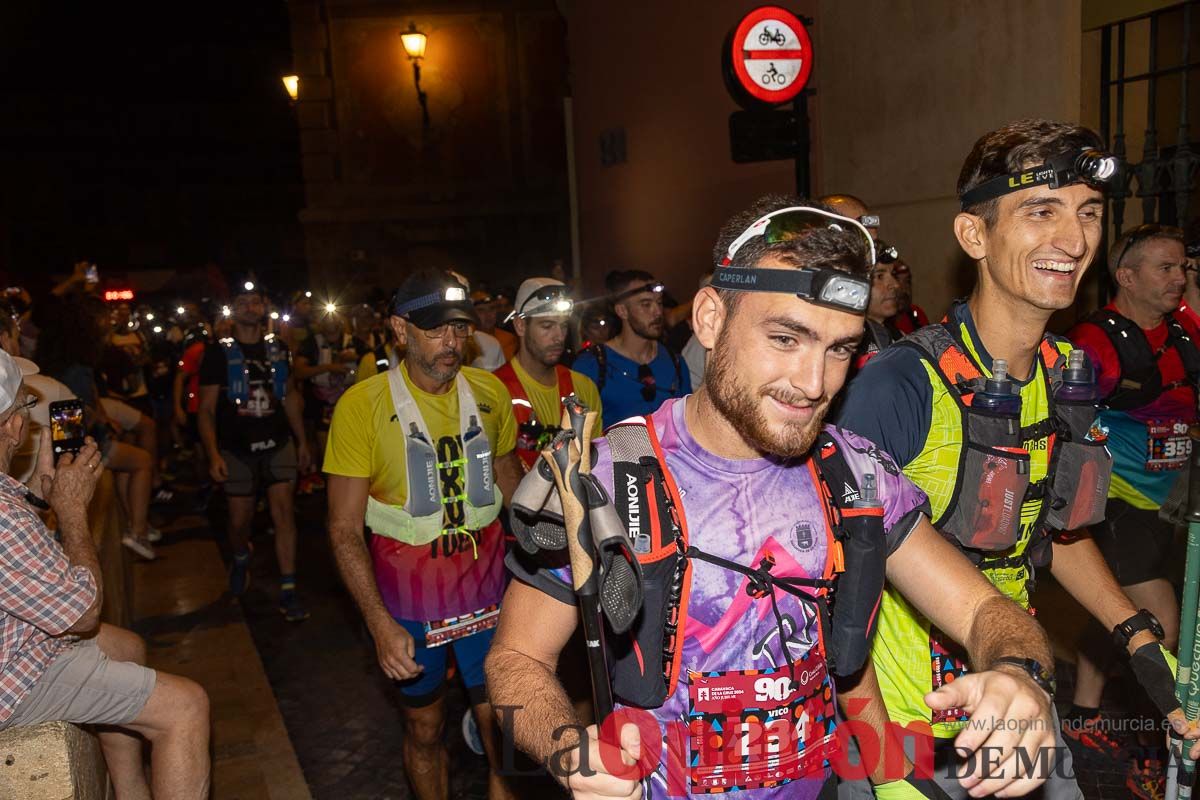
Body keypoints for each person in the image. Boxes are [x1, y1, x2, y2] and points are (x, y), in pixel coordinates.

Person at [490, 197, 1068, 800]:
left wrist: (1018, 675)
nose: (813, 383)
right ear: (711, 318)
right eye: (786, 338)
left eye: (840, 348)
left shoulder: (855, 474)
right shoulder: (608, 477)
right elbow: (515, 659)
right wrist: (567, 749)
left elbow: (983, 611)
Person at [838, 118, 1195, 798]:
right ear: (975, 234)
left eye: (1088, 213)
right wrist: (885, 770)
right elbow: (833, 585)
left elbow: (1054, 530)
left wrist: (1139, 640)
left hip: (1022, 704)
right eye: (1042, 212)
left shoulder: (1068, 373)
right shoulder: (901, 385)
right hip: (907, 735)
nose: (1073, 239)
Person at [325, 269, 524, 800]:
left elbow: (516, 492)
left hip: (488, 596)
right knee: (425, 729)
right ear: (399, 329)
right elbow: (343, 531)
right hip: (410, 606)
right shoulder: (360, 407)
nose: (452, 343)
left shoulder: (489, 393)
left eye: (459, 328)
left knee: (501, 728)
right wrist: (377, 623)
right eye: (436, 330)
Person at [0, 349, 211, 798]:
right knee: (186, 706)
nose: (27, 418)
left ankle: (129, 790)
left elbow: (24, 573)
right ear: (12, 426)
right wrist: (73, 511)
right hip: (8, 679)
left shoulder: (5, 497)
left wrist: (43, 500)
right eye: (22, 407)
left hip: (12, 640)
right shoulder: (2, 516)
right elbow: (82, 614)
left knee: (127, 646)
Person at [1063, 224, 1196, 792]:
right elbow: (1064, 426)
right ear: (1127, 276)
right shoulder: (1094, 342)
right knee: (1163, 627)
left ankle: (1084, 718)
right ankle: (1154, 744)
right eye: (1164, 268)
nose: (1178, 277)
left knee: (1117, 614)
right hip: (1117, 504)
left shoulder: (1185, 333)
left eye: (1182, 268)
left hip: (1170, 507)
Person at [198, 277, 311, 621]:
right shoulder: (218, 352)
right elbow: (206, 409)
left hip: (277, 442)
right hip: (236, 446)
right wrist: (214, 453)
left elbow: (289, 395)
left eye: (256, 301)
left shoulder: (278, 348)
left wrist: (302, 440)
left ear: (265, 308)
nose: (250, 307)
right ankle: (241, 555)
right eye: (243, 301)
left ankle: (289, 589)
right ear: (234, 309)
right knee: (239, 521)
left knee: (283, 513)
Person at [34, 296, 158, 560]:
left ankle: (135, 525)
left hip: (70, 446)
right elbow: (71, 424)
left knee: (130, 463)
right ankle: (138, 532)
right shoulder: (77, 370)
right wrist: (99, 425)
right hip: (82, 449)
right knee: (144, 461)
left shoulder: (57, 363)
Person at [493, 278, 603, 469]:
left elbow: (594, 463)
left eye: (563, 326)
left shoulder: (583, 387)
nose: (559, 336)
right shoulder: (495, 389)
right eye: (547, 326)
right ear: (520, 326)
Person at [573, 270, 690, 422]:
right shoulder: (591, 366)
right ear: (622, 311)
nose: (657, 312)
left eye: (659, 303)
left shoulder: (676, 363)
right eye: (646, 304)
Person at [294, 303, 366, 487]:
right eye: (327, 317)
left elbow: (374, 361)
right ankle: (330, 487)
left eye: (335, 316)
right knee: (326, 451)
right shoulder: (311, 343)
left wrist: (357, 359)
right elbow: (299, 371)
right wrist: (327, 367)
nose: (331, 322)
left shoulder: (355, 342)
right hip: (321, 405)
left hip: (351, 404)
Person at [854, 240, 903, 369]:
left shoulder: (900, 336)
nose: (895, 285)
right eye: (880, 276)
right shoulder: (850, 341)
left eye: (893, 274)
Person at [473, 290, 518, 361]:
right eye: (481, 310)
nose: (488, 315)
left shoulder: (508, 339)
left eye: (492, 309)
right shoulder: (466, 339)